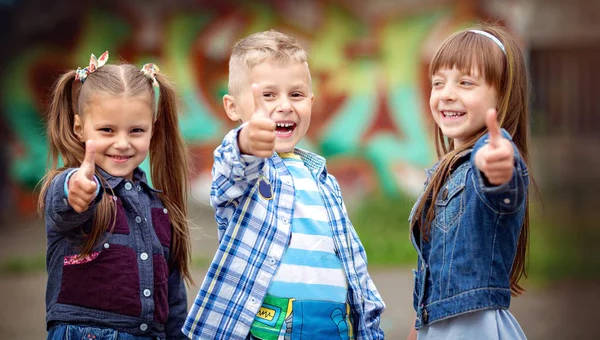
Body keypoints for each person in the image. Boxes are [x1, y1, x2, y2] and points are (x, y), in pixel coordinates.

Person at [183, 30, 385, 340]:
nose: (284, 106)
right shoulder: (249, 169)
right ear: (233, 107)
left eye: (296, 94)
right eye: (268, 95)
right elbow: (233, 168)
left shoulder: (324, 180)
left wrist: (369, 328)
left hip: (333, 326)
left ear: (311, 102)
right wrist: (246, 142)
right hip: (268, 326)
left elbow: (353, 264)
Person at [38, 52, 192, 339]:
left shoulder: (159, 207)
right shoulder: (77, 187)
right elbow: (64, 203)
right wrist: (77, 190)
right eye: (107, 130)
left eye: (136, 130)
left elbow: (173, 301)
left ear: (153, 131)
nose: (122, 143)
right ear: (79, 128)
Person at [407, 25, 531, 339]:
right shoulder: (444, 171)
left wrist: (498, 168)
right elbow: (434, 281)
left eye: (465, 82)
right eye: (438, 83)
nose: (447, 93)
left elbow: (503, 182)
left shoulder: (491, 153)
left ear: (501, 96)